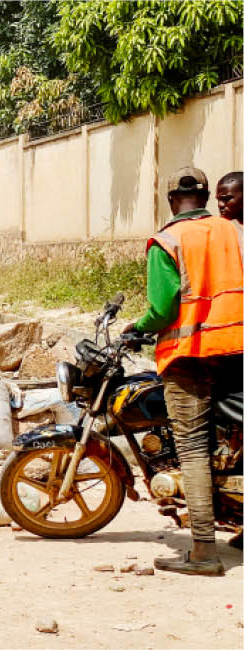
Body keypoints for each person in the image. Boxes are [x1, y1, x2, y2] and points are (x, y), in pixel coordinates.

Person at [123, 167, 243, 576]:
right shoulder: (232, 230)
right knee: (226, 441)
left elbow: (163, 306)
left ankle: (205, 553)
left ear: (172, 199)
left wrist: (137, 328)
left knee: (191, 447)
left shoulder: (167, 240)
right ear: (208, 196)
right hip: (237, 351)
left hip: (191, 355)